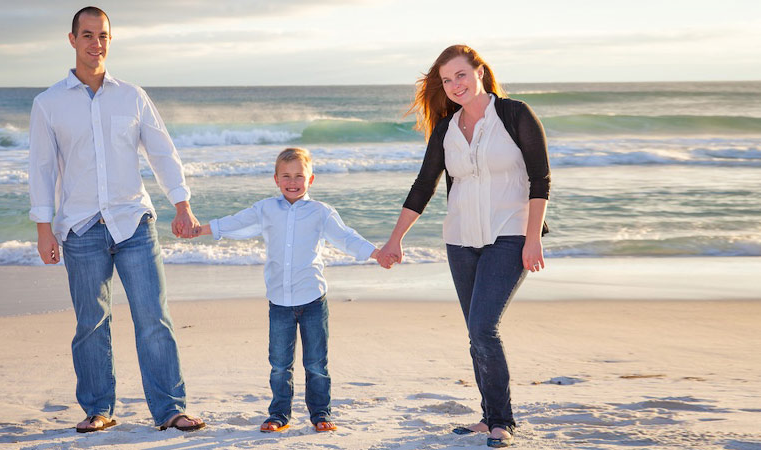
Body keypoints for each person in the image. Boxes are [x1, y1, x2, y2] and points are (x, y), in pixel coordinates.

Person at [28, 6, 205, 433]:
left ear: (111, 40)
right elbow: (41, 169)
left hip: (133, 223)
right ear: (72, 40)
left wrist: (182, 204)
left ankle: (170, 409)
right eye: (87, 35)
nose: (96, 43)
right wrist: (43, 228)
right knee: (90, 324)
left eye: (103, 35)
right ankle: (98, 409)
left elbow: (162, 152)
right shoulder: (48, 103)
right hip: (80, 228)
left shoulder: (133, 96)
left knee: (154, 318)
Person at [376, 45, 551, 448]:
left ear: (480, 72)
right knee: (476, 335)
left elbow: (540, 179)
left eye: (460, 75)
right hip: (460, 240)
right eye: (446, 80)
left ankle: (502, 421)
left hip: (509, 235)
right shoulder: (446, 130)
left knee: (483, 327)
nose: (454, 85)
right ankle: (489, 417)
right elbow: (424, 186)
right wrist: (394, 240)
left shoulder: (515, 115)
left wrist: (532, 237)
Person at [190, 147, 380, 433]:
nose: (293, 181)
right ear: (276, 179)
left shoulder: (321, 212)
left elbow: (346, 237)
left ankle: (321, 413)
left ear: (311, 179)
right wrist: (201, 229)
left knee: (316, 363)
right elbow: (237, 222)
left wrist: (377, 253)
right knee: (280, 364)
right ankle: (279, 414)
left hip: (313, 298)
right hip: (279, 301)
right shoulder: (266, 209)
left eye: (299, 176)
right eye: (286, 176)